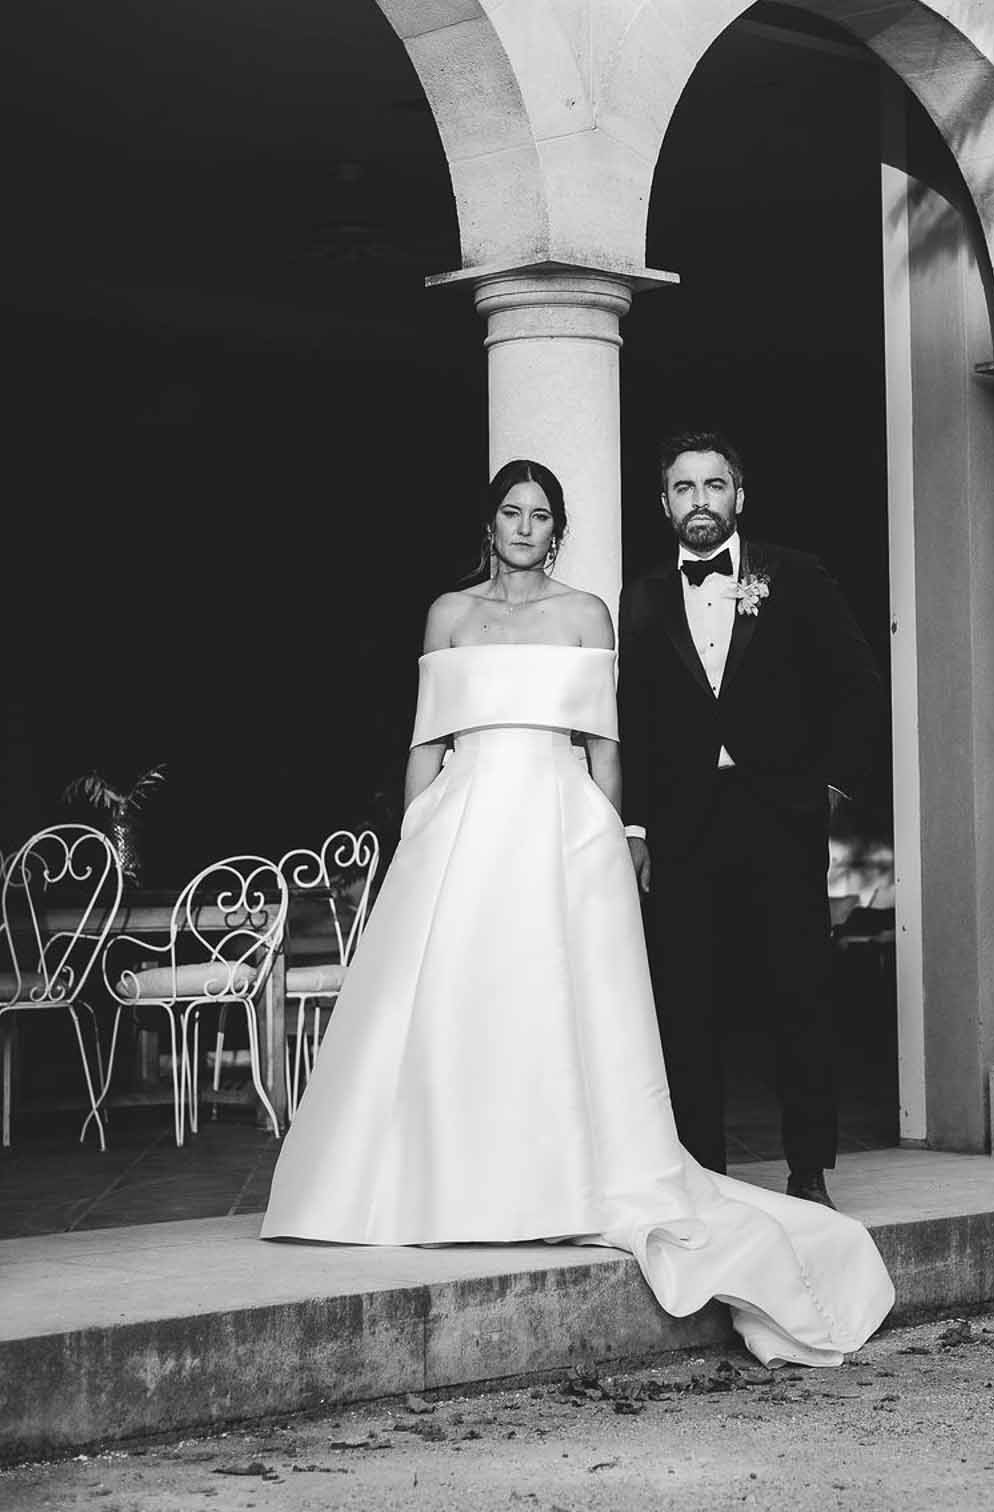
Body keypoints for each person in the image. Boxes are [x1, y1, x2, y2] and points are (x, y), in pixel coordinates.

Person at [262, 460, 893, 1367]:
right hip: (462, 823)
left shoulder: (590, 612)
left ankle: (681, 1169)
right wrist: (410, 843)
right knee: (457, 1003)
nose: (525, 526)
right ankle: (440, 1184)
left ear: (558, 529)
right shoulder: (447, 613)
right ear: (490, 523)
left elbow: (606, 743)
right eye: (511, 513)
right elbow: (424, 741)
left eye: (540, 515)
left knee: (567, 1003)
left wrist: (616, 835)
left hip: (561, 823)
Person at [617, 431, 885, 1209]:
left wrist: (828, 785)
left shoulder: (793, 576)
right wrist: (635, 828)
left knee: (797, 991)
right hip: (683, 824)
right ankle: (701, 1172)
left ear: (739, 495)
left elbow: (858, 683)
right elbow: (632, 715)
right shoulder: (641, 597)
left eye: (713, 485)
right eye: (682, 487)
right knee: (687, 998)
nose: (699, 500)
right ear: (663, 503)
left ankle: (808, 1168)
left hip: (779, 814)